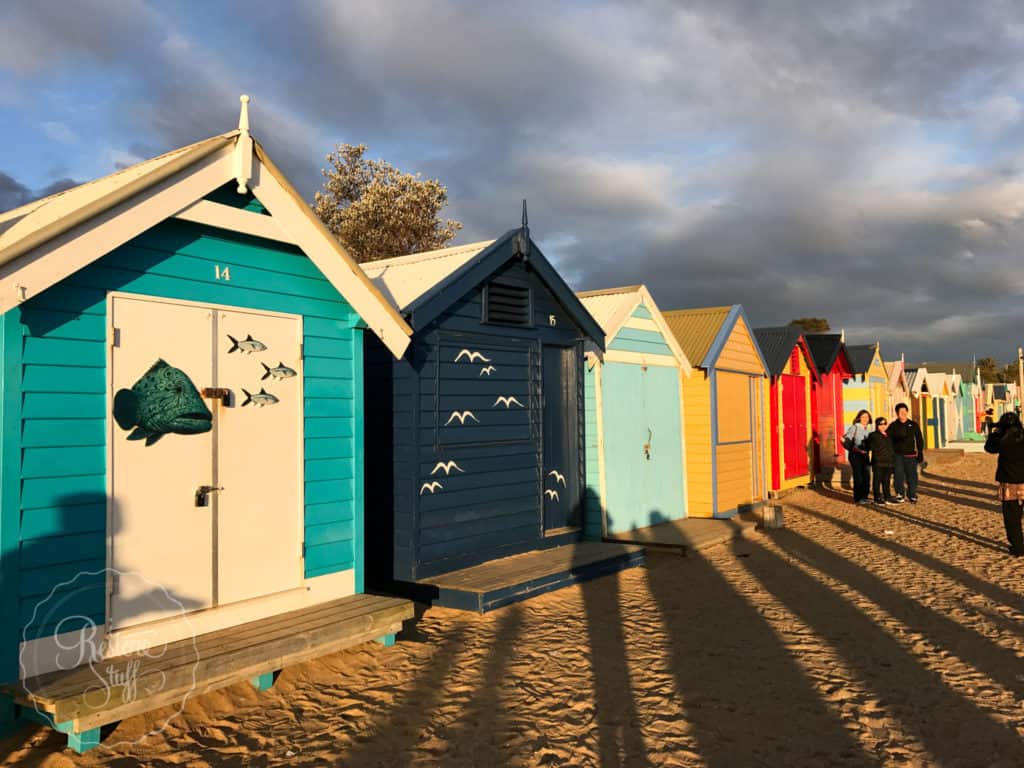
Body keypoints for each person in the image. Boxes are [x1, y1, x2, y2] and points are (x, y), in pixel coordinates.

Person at [983, 411, 1024, 557]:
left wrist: (993, 433)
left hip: (1008, 482)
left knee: (1012, 518)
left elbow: (989, 448)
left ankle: (1018, 547)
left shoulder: (1001, 438)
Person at [888, 403, 924, 503]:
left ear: (907, 412)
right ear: (897, 413)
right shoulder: (893, 426)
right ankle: (900, 493)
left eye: (904, 411)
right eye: (900, 412)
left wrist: (920, 452)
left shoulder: (913, 425)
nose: (903, 413)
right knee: (898, 475)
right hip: (897, 455)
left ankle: (912, 494)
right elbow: (887, 439)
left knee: (912, 476)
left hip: (911, 455)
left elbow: (919, 439)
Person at [843, 410, 873, 504]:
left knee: (866, 476)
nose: (865, 419)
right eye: (863, 417)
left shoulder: (868, 429)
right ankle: (858, 498)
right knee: (858, 476)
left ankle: (865, 497)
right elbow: (848, 438)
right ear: (859, 418)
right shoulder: (854, 427)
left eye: (867, 417)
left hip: (865, 455)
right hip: (855, 455)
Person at [865, 416, 896, 504]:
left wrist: (893, 461)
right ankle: (877, 498)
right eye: (880, 424)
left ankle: (887, 496)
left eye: (884, 424)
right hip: (878, 462)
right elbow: (869, 446)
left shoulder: (889, 435)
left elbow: (892, 448)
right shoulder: (873, 435)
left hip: (889, 462)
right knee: (877, 480)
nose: (883, 426)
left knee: (886, 480)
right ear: (877, 425)